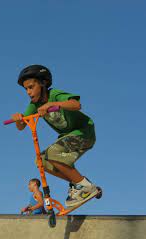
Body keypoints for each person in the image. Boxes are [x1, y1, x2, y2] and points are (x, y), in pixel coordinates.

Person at [13, 64, 99, 207]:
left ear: (43, 83)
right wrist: (18, 119)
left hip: (84, 133)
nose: (28, 92)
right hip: (68, 137)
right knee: (41, 161)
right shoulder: (33, 104)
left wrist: (54, 104)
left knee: (53, 153)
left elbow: (76, 104)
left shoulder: (55, 95)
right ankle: (78, 183)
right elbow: (22, 126)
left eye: (31, 87)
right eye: (26, 89)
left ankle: (85, 186)